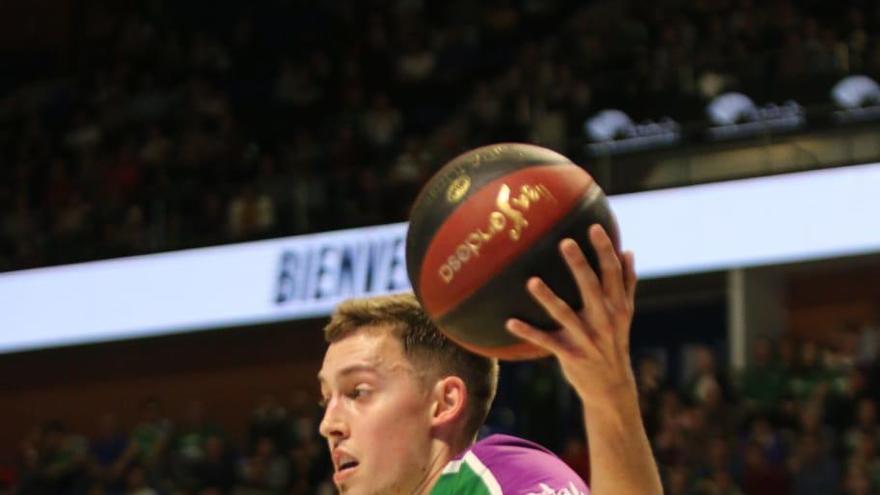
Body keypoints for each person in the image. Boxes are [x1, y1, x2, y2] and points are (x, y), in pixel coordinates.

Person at [317, 225, 663, 494]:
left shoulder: (500, 477)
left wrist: (608, 393)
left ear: (444, 403)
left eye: (358, 392)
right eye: (325, 399)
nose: (328, 425)